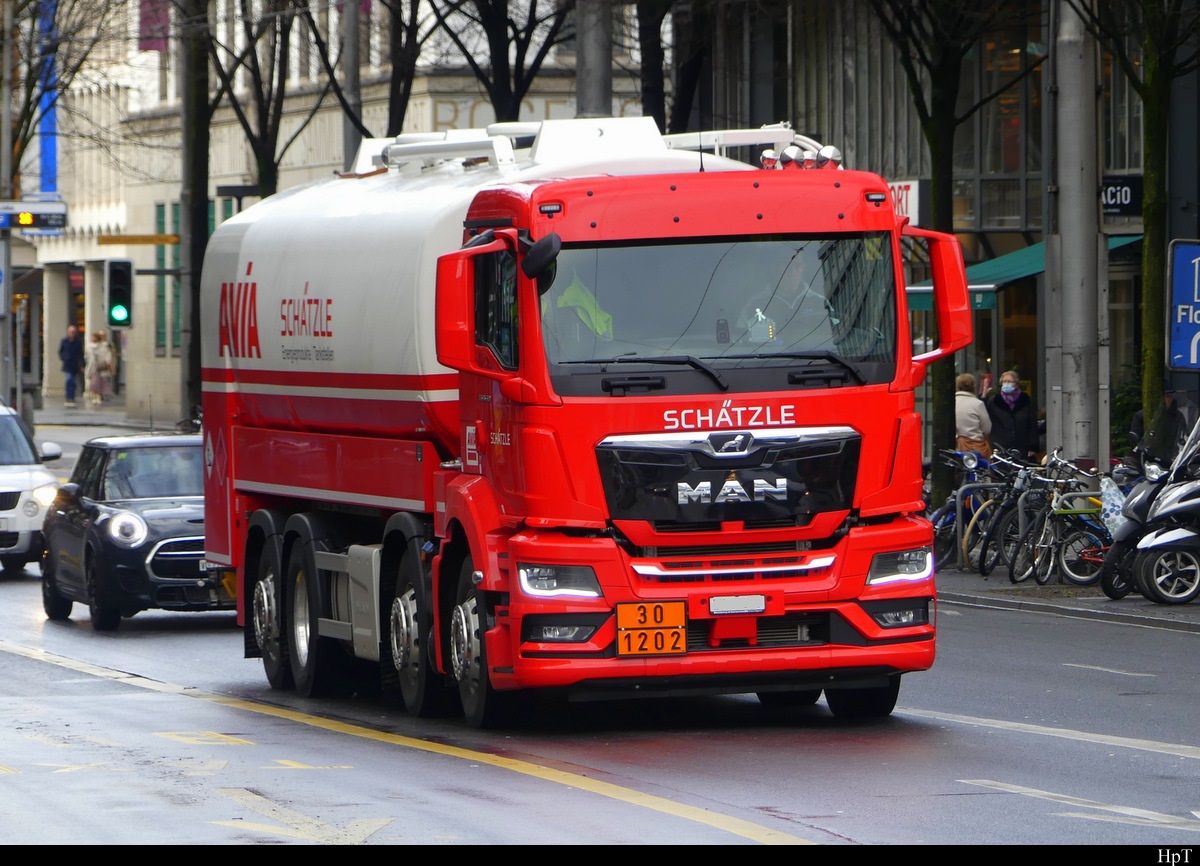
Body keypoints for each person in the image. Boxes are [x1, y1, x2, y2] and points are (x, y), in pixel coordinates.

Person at [1131, 385, 1194, 464]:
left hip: (1171, 459)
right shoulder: (1142, 415)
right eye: (1166, 397)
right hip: (1148, 459)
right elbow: (1137, 437)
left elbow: (1184, 435)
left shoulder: (1178, 416)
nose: (1168, 400)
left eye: (1170, 397)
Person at [986, 369, 1039, 459]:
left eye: (1010, 381)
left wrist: (1033, 446)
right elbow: (986, 418)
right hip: (1001, 446)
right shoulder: (994, 401)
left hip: (1022, 446)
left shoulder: (1026, 400)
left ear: (1016, 383)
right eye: (1004, 381)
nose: (1006, 384)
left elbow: (1032, 424)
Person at [955, 372, 992, 458]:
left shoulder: (952, 403)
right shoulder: (978, 404)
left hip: (957, 447)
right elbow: (987, 428)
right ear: (973, 386)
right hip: (976, 448)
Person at [85, 329, 116, 406]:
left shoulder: (107, 345)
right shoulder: (89, 346)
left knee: (102, 381)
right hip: (93, 367)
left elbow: (110, 356)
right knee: (95, 383)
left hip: (103, 368)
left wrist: (111, 367)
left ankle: (101, 395)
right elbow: (87, 357)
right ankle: (96, 396)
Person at [58, 324, 84, 409]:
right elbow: (60, 351)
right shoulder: (64, 341)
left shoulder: (78, 342)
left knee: (73, 382)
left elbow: (81, 354)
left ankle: (71, 397)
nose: (72, 333)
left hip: (75, 364)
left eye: (73, 332)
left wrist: (82, 365)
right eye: (71, 332)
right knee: (69, 380)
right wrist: (64, 358)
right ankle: (69, 397)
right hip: (67, 364)